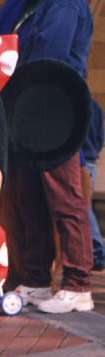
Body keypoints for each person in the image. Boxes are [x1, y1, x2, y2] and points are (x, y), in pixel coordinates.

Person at [0, 0, 95, 313]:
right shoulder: (34, 7)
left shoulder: (65, 5)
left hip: (55, 114)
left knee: (65, 201)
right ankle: (36, 280)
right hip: (28, 111)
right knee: (29, 202)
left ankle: (78, 286)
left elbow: (46, 59)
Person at [82, 98, 105, 271]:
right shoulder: (95, 105)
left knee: (83, 209)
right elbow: (100, 136)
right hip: (91, 160)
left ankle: (98, 253)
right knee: (85, 207)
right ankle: (96, 253)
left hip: (80, 160)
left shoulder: (73, 101)